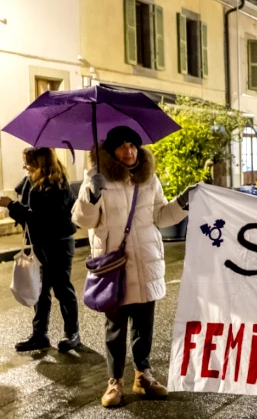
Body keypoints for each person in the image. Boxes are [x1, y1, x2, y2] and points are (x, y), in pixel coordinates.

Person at [72, 126, 195, 408]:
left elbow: (161, 216)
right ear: (112, 150)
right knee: (115, 327)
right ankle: (114, 381)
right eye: (122, 146)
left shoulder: (148, 178)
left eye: (133, 145)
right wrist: (91, 195)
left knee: (143, 325)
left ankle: (143, 375)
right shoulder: (96, 177)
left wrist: (182, 202)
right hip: (113, 265)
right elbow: (83, 220)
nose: (128, 151)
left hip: (145, 260)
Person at [0, 148, 79, 353]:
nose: (24, 166)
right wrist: (18, 200)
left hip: (58, 244)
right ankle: (39, 334)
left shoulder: (58, 185)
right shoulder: (32, 181)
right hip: (39, 243)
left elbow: (41, 219)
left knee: (62, 288)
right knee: (41, 290)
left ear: (40, 162)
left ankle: (72, 333)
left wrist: (11, 205)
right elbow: (29, 213)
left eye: (27, 162)